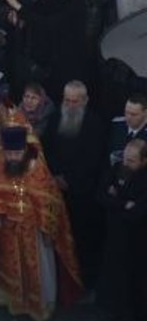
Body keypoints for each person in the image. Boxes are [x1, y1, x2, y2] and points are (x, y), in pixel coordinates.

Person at [0, 127, 83, 321]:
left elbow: (49, 201)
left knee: (38, 270)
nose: (13, 158)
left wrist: (47, 228)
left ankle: (40, 308)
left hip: (34, 231)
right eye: (9, 153)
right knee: (12, 269)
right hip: (8, 231)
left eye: (17, 153)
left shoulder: (37, 169)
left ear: (25, 150)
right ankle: (17, 305)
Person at [44, 81, 107, 289]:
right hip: (57, 190)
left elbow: (93, 159)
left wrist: (69, 179)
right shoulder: (55, 120)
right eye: (66, 100)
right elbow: (47, 149)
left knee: (83, 240)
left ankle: (85, 282)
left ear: (85, 101)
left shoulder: (95, 123)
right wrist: (56, 175)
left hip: (83, 193)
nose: (70, 105)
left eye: (74, 101)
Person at [0, 0, 87, 102]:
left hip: (67, 63)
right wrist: (18, 14)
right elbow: (36, 10)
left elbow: (49, 24)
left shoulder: (76, 4)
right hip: (48, 60)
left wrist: (16, 4)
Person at [98, 139, 147, 321]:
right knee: (116, 277)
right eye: (125, 159)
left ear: (144, 161)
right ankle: (118, 314)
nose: (126, 164)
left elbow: (137, 212)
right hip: (115, 238)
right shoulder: (117, 168)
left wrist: (115, 201)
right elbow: (100, 195)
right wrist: (122, 203)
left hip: (138, 244)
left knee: (138, 285)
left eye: (132, 161)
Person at [108, 95, 147, 165]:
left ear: (145, 113)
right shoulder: (116, 125)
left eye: (134, 114)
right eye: (126, 112)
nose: (128, 117)